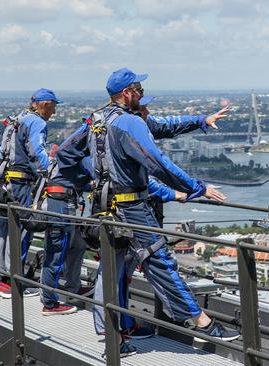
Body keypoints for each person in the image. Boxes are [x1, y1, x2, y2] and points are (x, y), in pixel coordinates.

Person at [90, 68, 238, 357]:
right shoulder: (129, 123)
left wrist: (201, 121)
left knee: (112, 271)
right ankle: (202, 323)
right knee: (160, 262)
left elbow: (160, 126)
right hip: (131, 208)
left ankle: (114, 339)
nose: (143, 96)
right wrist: (196, 188)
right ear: (127, 93)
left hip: (105, 207)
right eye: (140, 91)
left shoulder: (99, 120)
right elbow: (157, 163)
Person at [0, 89, 60, 299]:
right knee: (23, 230)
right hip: (21, 183)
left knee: (4, 229)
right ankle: (15, 282)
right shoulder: (36, 122)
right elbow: (37, 152)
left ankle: (4, 280)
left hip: (5, 182)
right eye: (53, 105)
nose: (55, 110)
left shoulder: (16, 119)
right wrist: (50, 172)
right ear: (45, 104)